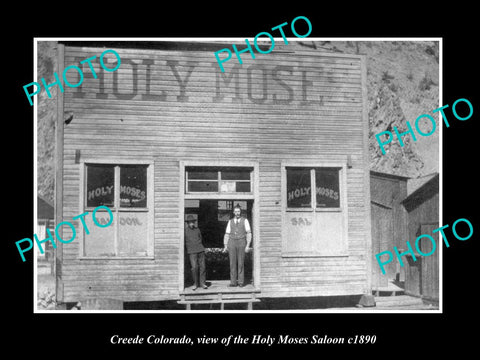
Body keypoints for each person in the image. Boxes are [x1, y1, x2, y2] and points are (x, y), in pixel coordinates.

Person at [223, 204, 252, 287]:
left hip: (241, 242)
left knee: (240, 262)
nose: (237, 213)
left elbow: (249, 233)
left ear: (240, 212)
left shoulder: (245, 220)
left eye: (238, 211)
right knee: (232, 263)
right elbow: (227, 234)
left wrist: (248, 245)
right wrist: (225, 245)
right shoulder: (230, 221)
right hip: (232, 242)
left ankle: (240, 282)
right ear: (233, 212)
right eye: (235, 212)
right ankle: (233, 282)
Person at [184, 215, 207, 290]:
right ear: (187, 223)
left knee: (202, 267)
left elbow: (200, 238)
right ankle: (195, 284)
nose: (192, 224)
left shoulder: (197, 229)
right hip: (192, 251)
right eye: (190, 222)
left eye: (193, 222)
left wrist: (200, 246)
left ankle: (202, 283)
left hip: (200, 250)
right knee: (194, 267)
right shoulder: (185, 231)